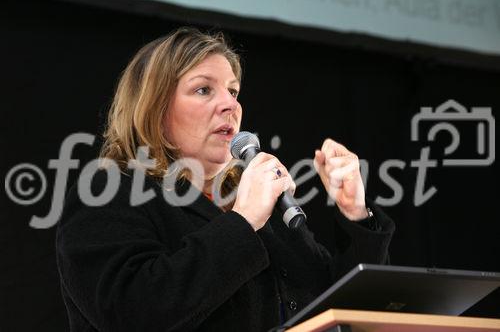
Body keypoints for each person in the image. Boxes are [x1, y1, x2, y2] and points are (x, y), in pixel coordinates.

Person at [56, 27, 395, 332]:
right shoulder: (106, 193)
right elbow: (132, 313)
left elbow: (345, 310)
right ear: (155, 111)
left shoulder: (262, 204)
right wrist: (243, 221)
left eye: (233, 91)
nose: (229, 105)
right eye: (204, 89)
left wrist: (355, 213)